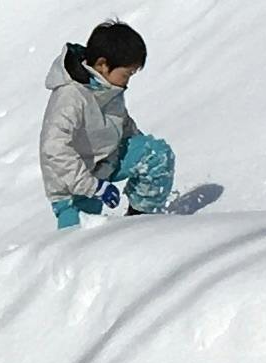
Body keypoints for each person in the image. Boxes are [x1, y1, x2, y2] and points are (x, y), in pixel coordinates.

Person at [40, 20, 176, 227]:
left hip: (107, 162)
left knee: (156, 155)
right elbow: (55, 150)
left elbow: (123, 123)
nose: (128, 81)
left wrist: (140, 147)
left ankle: (141, 223)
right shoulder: (70, 97)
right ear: (102, 64)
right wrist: (93, 187)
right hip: (73, 183)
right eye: (127, 74)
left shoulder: (110, 88)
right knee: (81, 235)